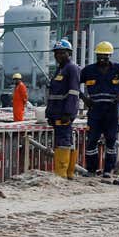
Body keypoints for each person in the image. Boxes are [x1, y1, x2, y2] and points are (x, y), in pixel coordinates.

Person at [79, 41, 119, 177]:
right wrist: (84, 98)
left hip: (111, 110)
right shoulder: (88, 70)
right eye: (100, 56)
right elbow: (73, 83)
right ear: (97, 55)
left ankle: (108, 170)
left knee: (111, 141)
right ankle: (91, 170)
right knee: (92, 141)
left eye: (105, 56)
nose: (102, 58)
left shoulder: (118, 69)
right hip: (95, 110)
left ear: (110, 56)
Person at [46, 40, 82, 179]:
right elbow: (54, 94)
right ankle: (68, 173)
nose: (59, 55)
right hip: (56, 112)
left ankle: (62, 173)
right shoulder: (60, 69)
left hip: (63, 113)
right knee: (64, 140)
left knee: (64, 141)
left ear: (70, 53)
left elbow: (73, 92)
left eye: (62, 53)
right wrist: (49, 113)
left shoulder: (71, 68)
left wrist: (68, 112)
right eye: (57, 53)